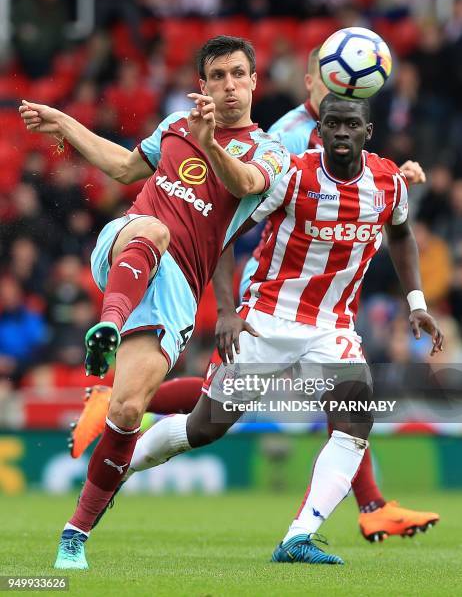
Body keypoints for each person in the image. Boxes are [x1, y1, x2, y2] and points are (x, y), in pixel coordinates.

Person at [69, 47, 438, 542]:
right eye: (329, 89)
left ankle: (334, 522)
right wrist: (226, 309)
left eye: (350, 113)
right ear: (311, 85)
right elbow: (226, 215)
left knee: (352, 404)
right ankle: (116, 439)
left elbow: (396, 225)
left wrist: (415, 298)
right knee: (208, 422)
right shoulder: (284, 144)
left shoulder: (378, 172)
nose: (340, 120)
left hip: (330, 322)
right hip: (264, 306)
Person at [20, 35, 291, 570]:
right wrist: (65, 125)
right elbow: (124, 168)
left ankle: (75, 533)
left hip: (178, 293)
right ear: (202, 85)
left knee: (125, 411)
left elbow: (242, 182)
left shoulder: (272, 151)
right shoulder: (173, 127)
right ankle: (109, 328)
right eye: (218, 76)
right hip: (129, 245)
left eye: (239, 74)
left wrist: (212, 143)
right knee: (151, 227)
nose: (229, 85)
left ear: (255, 81)